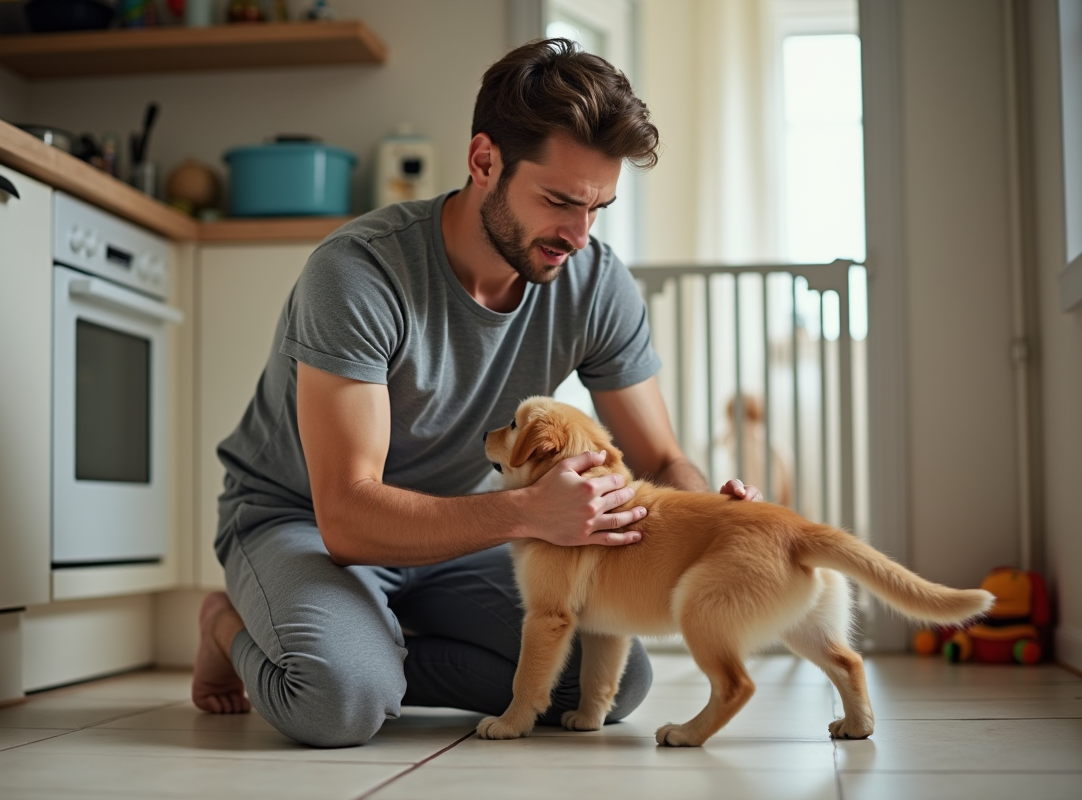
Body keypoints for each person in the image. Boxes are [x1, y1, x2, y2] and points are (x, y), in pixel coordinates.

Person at [190, 38, 761, 748]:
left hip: (470, 530)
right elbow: (347, 515)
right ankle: (232, 623)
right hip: (303, 522)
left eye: (598, 209)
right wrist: (527, 510)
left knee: (608, 685)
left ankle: (368, 644)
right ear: (484, 161)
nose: (579, 236)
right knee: (337, 702)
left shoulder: (595, 279)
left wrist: (710, 518)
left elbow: (663, 459)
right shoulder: (358, 273)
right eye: (558, 201)